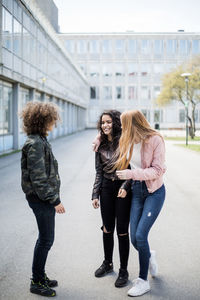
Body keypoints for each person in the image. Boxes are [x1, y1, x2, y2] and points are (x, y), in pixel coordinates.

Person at [116, 110, 166, 297]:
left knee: (141, 235)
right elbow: (106, 133)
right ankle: (149, 255)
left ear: (133, 124)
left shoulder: (155, 139)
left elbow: (157, 170)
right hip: (137, 191)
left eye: (123, 124)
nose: (121, 128)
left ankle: (142, 281)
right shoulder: (127, 139)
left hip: (154, 192)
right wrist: (97, 140)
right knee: (135, 239)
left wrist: (130, 175)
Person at [20, 101, 65, 297]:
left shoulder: (40, 140)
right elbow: (39, 179)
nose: (54, 123)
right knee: (46, 239)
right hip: (41, 199)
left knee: (46, 238)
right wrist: (55, 200)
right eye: (52, 120)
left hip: (42, 198)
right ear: (43, 121)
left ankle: (40, 275)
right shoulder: (35, 144)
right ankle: (36, 281)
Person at [92, 110, 132, 288]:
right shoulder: (99, 145)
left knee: (122, 230)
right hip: (106, 189)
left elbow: (133, 167)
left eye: (108, 122)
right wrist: (95, 194)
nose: (105, 125)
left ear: (115, 122)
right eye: (102, 123)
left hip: (123, 189)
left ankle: (124, 270)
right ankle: (108, 263)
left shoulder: (125, 141)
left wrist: (125, 186)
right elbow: (99, 171)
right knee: (107, 228)